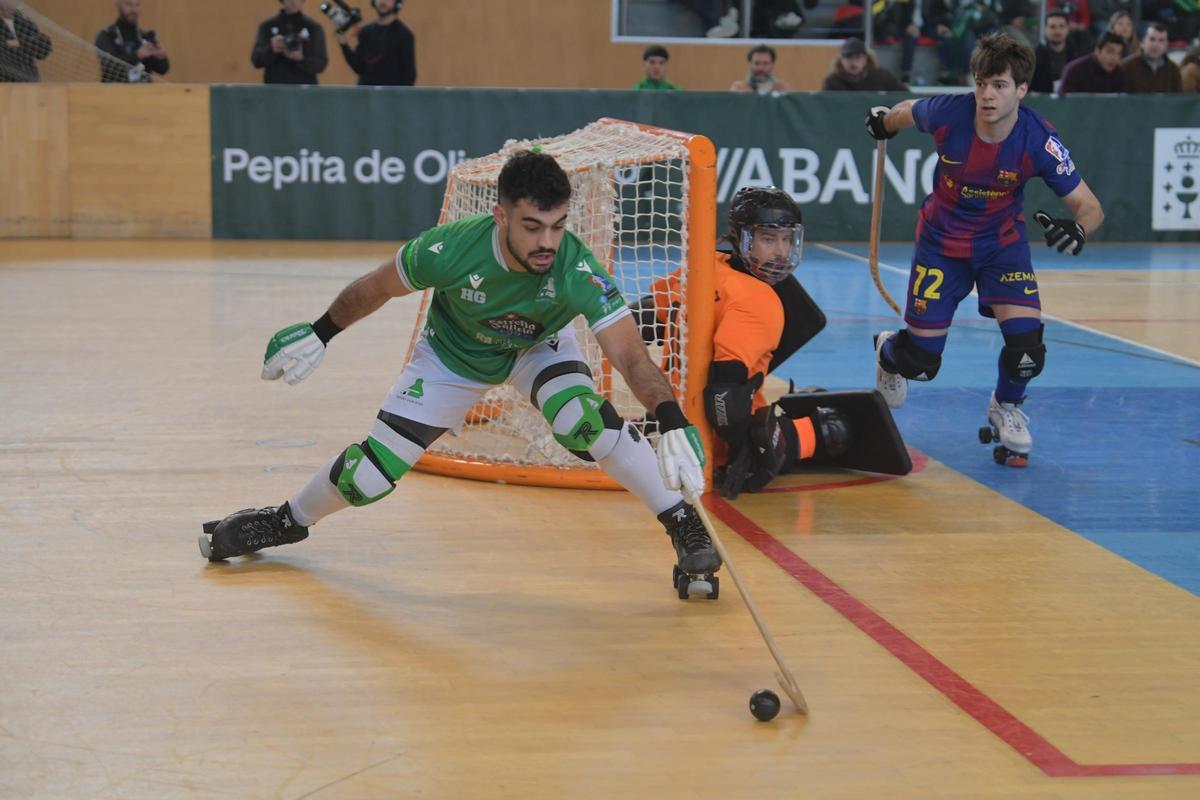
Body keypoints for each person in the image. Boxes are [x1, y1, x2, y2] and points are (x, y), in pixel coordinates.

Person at [198, 151, 721, 597]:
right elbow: (377, 286)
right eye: (532, 227)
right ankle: (285, 521)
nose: (548, 242)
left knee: (583, 421)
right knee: (367, 477)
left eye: (558, 226)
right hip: (451, 357)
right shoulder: (448, 249)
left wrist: (671, 419)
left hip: (537, 348)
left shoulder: (575, 267)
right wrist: (321, 331)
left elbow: (631, 356)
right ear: (501, 216)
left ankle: (683, 521)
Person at [864, 32, 1104, 466]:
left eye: (999, 85)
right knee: (921, 361)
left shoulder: (1040, 140)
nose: (987, 95)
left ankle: (1006, 407)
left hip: (1002, 248)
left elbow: (1090, 207)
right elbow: (904, 112)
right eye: (981, 83)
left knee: (1027, 349)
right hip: (941, 245)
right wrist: (883, 122)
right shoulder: (950, 112)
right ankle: (888, 351)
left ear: (1022, 90)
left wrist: (1080, 229)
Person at [633, 187, 910, 498]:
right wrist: (746, 450)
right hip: (710, 443)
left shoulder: (704, 267)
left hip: (667, 423)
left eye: (787, 239)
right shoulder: (758, 300)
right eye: (768, 239)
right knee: (835, 428)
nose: (780, 251)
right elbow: (723, 398)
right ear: (742, 238)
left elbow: (636, 322)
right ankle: (810, 423)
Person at [338, 0, 415, 86]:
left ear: (397, 3)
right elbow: (358, 67)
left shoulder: (404, 35)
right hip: (366, 95)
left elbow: (409, 75)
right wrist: (342, 40)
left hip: (391, 96)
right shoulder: (366, 31)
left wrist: (398, 97)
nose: (383, 2)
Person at [251, 0, 328, 85]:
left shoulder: (313, 27)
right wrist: (272, 49)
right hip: (275, 89)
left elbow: (320, 64)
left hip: (305, 89)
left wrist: (301, 59)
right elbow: (256, 61)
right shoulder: (267, 26)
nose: (293, 1)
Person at [94, 0, 169, 83]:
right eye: (128, 4)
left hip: (144, 93)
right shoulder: (106, 35)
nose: (134, 10)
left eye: (137, 4)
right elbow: (110, 67)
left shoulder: (145, 36)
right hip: (114, 93)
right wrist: (137, 55)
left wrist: (162, 58)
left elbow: (163, 69)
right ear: (117, 4)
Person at [821, 37, 908, 90]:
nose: (853, 62)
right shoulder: (832, 81)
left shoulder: (883, 77)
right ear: (841, 60)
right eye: (848, 57)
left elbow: (904, 96)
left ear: (865, 59)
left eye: (858, 57)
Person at [1058, 30, 1127, 93]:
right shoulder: (1074, 70)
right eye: (1110, 52)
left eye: (1119, 53)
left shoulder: (1119, 73)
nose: (1115, 58)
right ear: (1097, 51)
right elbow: (1063, 104)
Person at [1121, 23, 1182, 92]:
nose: (1155, 44)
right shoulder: (1126, 67)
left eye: (1161, 40)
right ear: (1142, 43)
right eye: (1152, 39)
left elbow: (1177, 100)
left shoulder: (1174, 70)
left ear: (1166, 45)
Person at [0, 0, 51, 82]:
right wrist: (26, 43)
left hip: (29, 80)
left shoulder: (27, 24)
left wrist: (17, 43)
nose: (8, 5)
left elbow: (43, 47)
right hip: (4, 81)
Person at [1029, 10, 1072, 92]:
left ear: (1068, 28)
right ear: (1045, 29)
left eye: (1061, 26)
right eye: (1052, 27)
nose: (1057, 31)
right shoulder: (1034, 55)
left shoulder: (1077, 54)